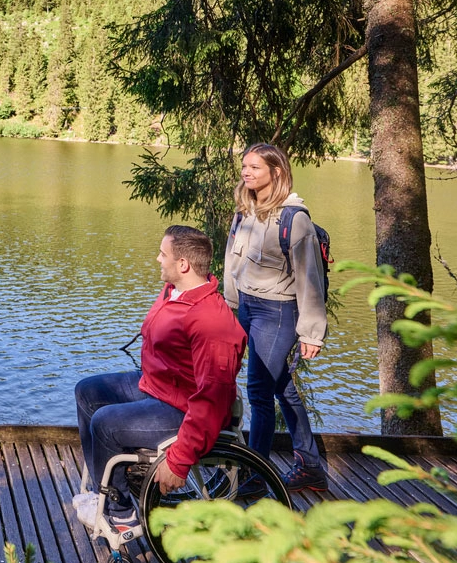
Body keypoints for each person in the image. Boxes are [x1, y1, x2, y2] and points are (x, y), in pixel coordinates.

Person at [73, 225, 247, 532]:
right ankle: (106, 484)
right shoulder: (175, 292)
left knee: (104, 422)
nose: (157, 259)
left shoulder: (212, 322)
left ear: (183, 264)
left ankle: (120, 511)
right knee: (88, 392)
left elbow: (212, 400)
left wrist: (179, 460)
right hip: (158, 386)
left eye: (162, 254)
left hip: (184, 409)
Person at [223, 142, 329, 491]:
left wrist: (312, 332)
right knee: (279, 384)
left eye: (255, 167)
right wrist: (231, 303)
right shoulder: (245, 211)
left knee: (258, 391)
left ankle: (255, 476)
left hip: (278, 311)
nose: (246, 172)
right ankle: (310, 464)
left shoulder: (294, 219)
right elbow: (232, 261)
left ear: (277, 172)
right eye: (244, 166)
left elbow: (310, 278)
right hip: (249, 308)